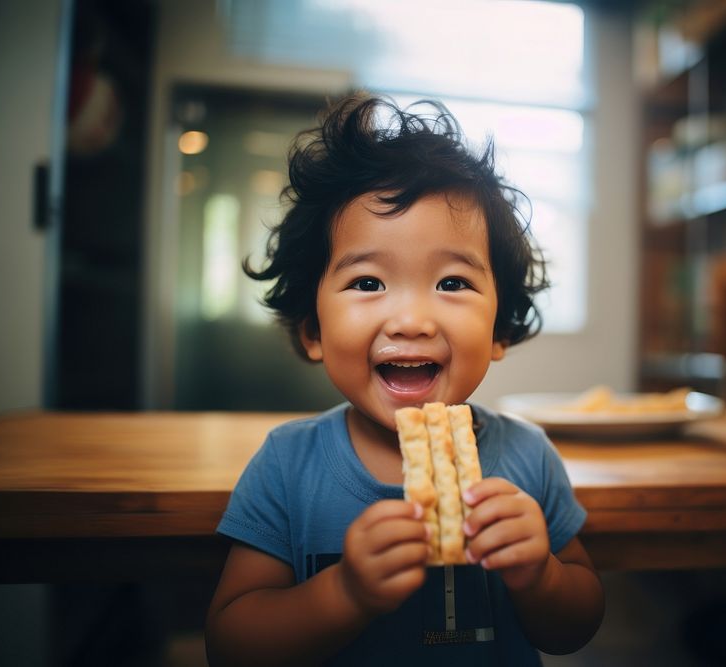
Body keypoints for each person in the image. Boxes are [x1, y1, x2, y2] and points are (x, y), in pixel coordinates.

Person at [205, 93, 605, 666]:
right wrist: (344, 595)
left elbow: (576, 627)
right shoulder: (287, 464)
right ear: (313, 331)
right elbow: (230, 646)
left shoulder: (526, 456)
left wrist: (540, 575)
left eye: (452, 283)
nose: (413, 321)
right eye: (367, 283)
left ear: (499, 332)